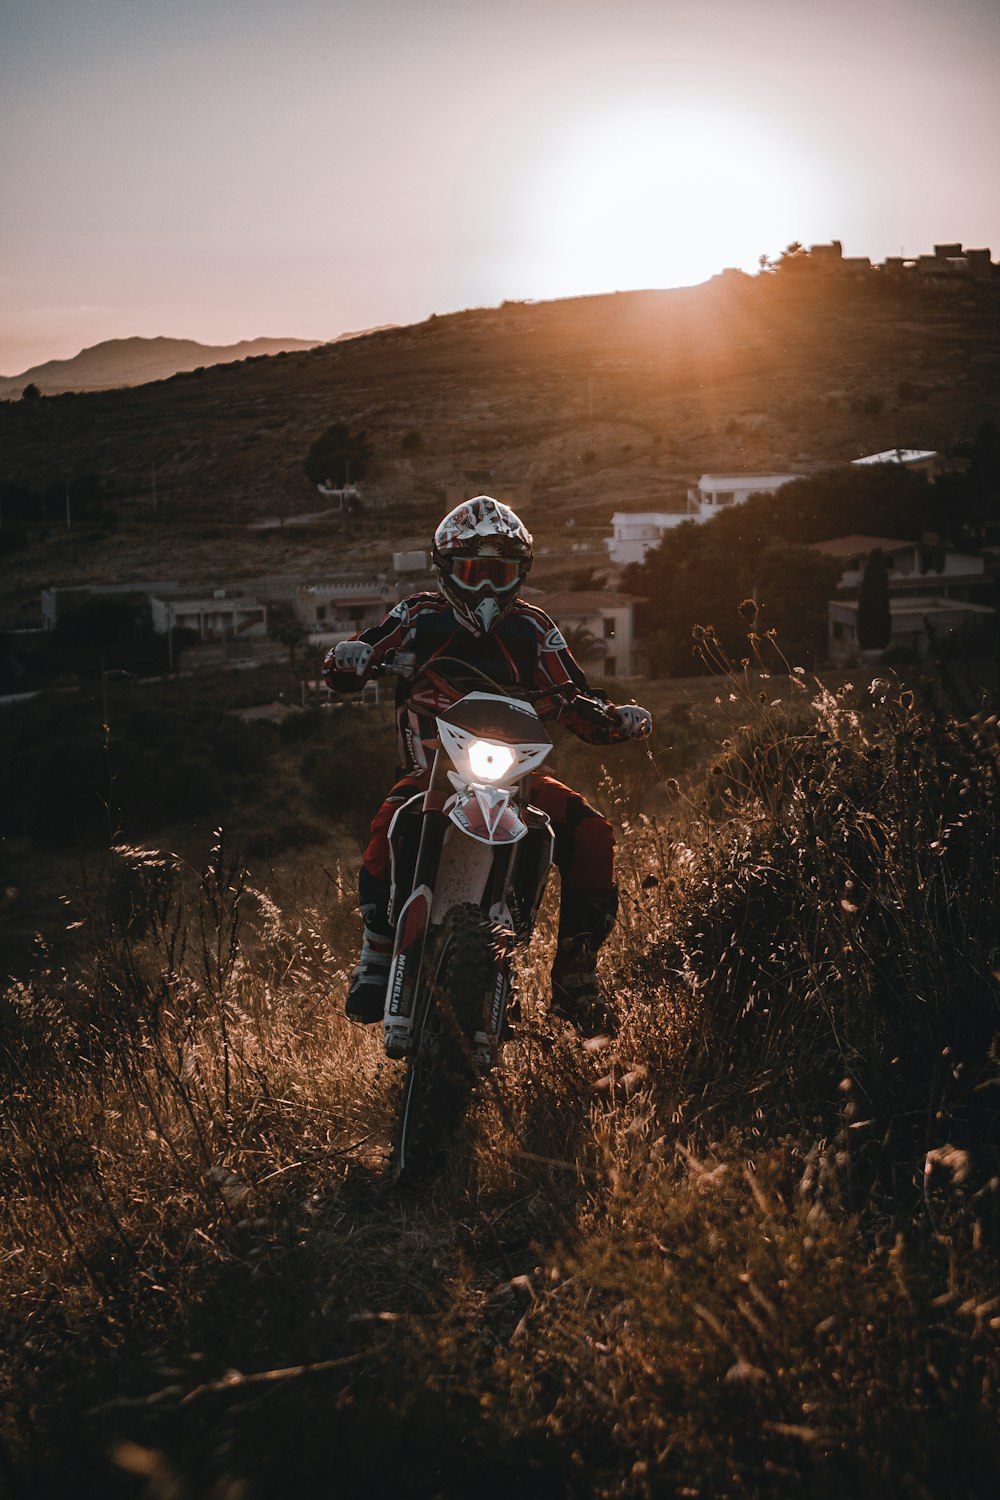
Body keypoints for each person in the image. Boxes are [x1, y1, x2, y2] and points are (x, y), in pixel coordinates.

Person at [323, 496, 652, 1035]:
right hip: (432, 768)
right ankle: (377, 953)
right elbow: (355, 661)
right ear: (448, 570)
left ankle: (576, 976)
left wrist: (613, 719)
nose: (486, 588)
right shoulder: (417, 615)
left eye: (498, 573)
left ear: (519, 573)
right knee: (389, 822)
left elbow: (574, 695)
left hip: (516, 774)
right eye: (473, 572)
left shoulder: (535, 627)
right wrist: (350, 659)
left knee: (592, 832)